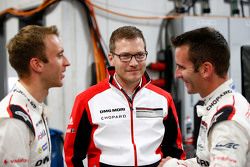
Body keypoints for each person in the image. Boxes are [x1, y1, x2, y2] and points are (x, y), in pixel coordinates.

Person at [64, 25, 185, 167]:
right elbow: (72, 157)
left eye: (140, 55)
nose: (134, 63)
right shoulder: (87, 100)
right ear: (111, 58)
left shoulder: (163, 99)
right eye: (125, 56)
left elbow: (176, 151)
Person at [159, 27, 250, 167]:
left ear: (205, 69)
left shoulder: (227, 121)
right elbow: (206, 162)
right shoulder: (219, 104)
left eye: (181, 67)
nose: (177, 74)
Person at [0, 25, 70, 166]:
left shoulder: (34, 106)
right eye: (59, 55)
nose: (67, 63)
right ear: (37, 64)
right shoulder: (14, 121)